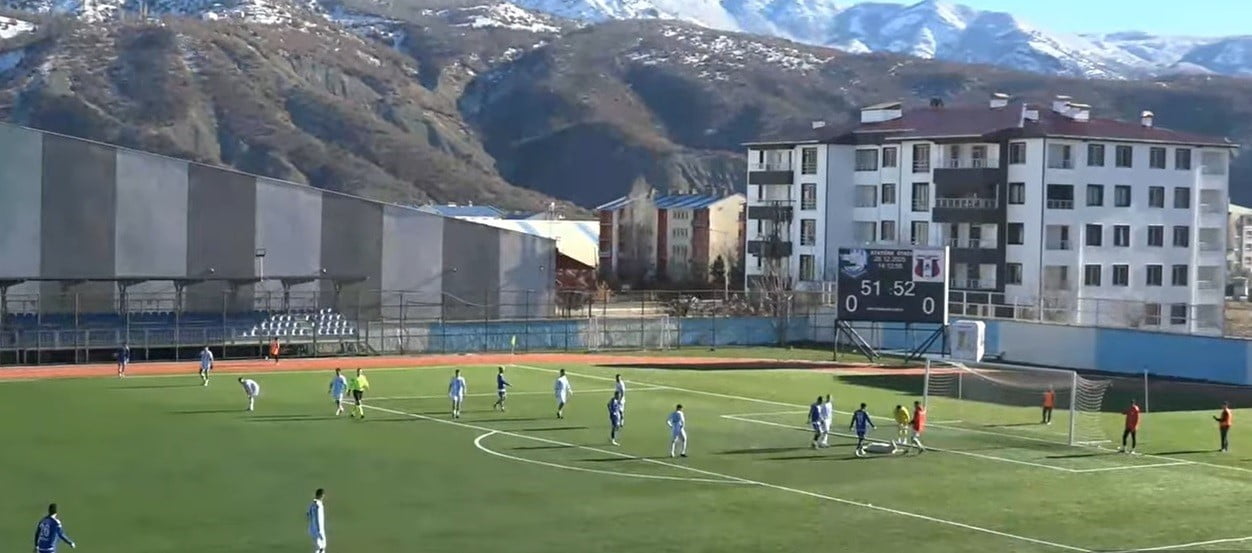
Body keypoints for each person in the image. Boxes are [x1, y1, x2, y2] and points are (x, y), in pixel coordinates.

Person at [307, 488, 327, 553]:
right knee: (321, 547)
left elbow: (308, 514)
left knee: (319, 548)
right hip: (318, 530)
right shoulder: (318, 505)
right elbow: (317, 519)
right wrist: (318, 532)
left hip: (312, 529)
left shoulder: (312, 504)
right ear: (322, 495)